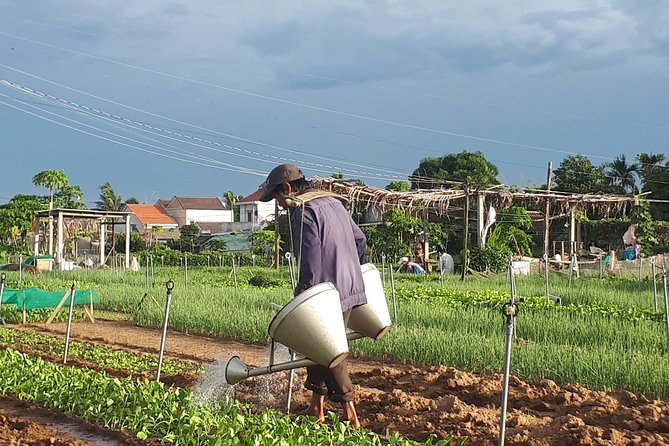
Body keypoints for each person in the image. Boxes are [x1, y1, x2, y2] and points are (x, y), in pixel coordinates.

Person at [259, 163, 366, 429]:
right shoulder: (333, 203)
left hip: (325, 294)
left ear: (287, 189)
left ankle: (350, 413)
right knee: (314, 348)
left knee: (328, 351)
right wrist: (352, 271)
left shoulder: (303, 211)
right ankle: (316, 407)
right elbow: (360, 239)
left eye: (278, 198)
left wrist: (302, 299)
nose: (280, 204)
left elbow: (310, 261)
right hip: (350, 286)